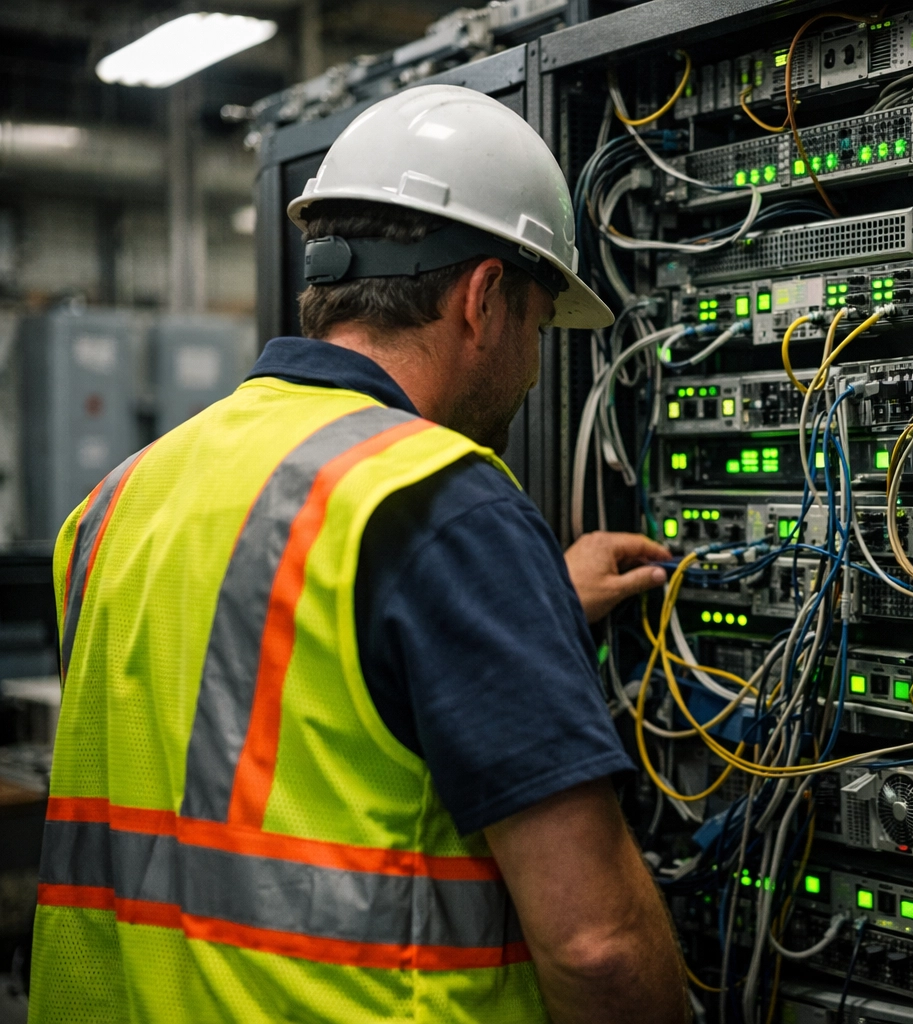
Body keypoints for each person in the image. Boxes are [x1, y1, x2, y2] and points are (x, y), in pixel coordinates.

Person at [29, 85, 688, 1024]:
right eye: (541, 329)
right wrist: (494, 584)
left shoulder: (116, 500)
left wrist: (525, 608)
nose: (538, 369)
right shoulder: (446, 504)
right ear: (485, 299)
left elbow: (255, 696)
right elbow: (599, 951)